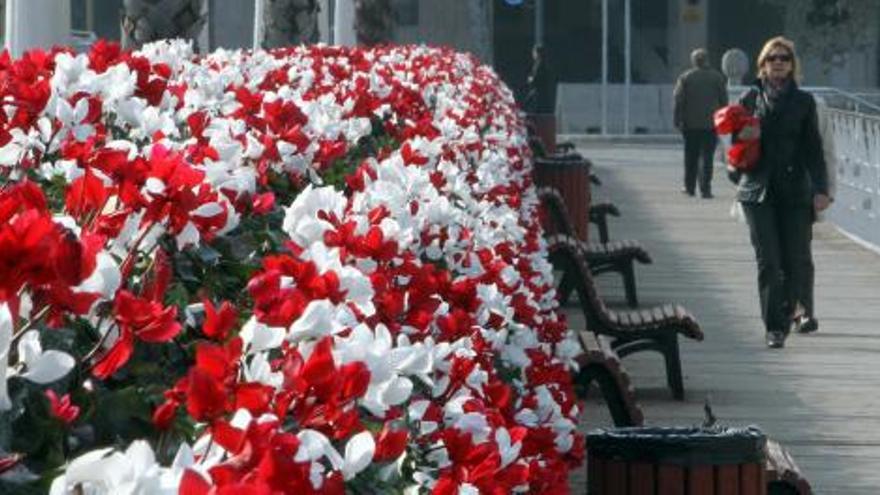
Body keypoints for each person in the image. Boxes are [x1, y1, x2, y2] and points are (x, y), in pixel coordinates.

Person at [728, 36, 830, 348]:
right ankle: (775, 327)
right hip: (757, 189)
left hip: (795, 190)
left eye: (784, 58)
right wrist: (742, 136)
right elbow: (735, 145)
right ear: (763, 64)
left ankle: (793, 311)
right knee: (769, 261)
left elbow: (814, 149)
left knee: (796, 259)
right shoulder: (749, 98)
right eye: (773, 58)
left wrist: (822, 189)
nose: (778, 63)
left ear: (792, 65)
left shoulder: (804, 102)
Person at [673, 48, 728, 198]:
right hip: (711, 124)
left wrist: (677, 119)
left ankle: (689, 187)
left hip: (690, 124)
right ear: (707, 60)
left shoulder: (686, 77)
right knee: (707, 157)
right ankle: (706, 189)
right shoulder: (717, 77)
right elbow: (724, 101)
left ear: (694, 61)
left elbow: (679, 100)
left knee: (690, 156)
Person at [524, 45, 556, 115]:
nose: (533, 54)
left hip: (538, 92)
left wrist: (530, 79)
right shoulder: (543, 63)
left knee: (536, 110)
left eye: (534, 52)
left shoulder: (539, 64)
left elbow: (537, 78)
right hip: (541, 92)